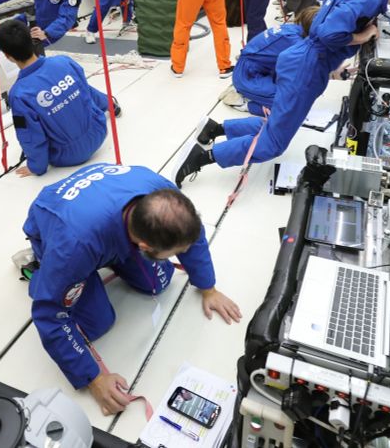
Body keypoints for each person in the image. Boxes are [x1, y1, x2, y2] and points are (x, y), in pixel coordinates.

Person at [175, 0, 390, 186]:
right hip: (304, 69)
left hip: (307, 65)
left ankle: (219, 130)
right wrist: (362, 37)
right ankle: (204, 156)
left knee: (276, 124)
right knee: (273, 144)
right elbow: (326, 33)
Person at [23, 163, 242, 414]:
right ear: (145, 245)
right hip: (56, 220)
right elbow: (50, 315)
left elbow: (192, 238)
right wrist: (93, 379)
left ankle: (97, 261)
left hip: (102, 217)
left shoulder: (166, 198)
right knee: (97, 323)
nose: (183, 255)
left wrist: (208, 287)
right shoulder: (74, 247)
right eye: (176, 254)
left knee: (157, 283)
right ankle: (42, 270)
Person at [0, 20, 116, 177]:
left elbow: (30, 135)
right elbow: (87, 93)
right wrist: (109, 105)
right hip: (99, 131)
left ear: (7, 56)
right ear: (31, 40)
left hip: (68, 155)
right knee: (78, 87)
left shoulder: (18, 94)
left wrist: (36, 167)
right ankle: (111, 103)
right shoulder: (64, 62)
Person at [231, 5, 319, 117]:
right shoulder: (294, 40)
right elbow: (307, 68)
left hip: (259, 71)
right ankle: (242, 102)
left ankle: (254, 93)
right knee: (290, 106)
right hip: (247, 75)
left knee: (297, 95)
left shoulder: (292, 29)